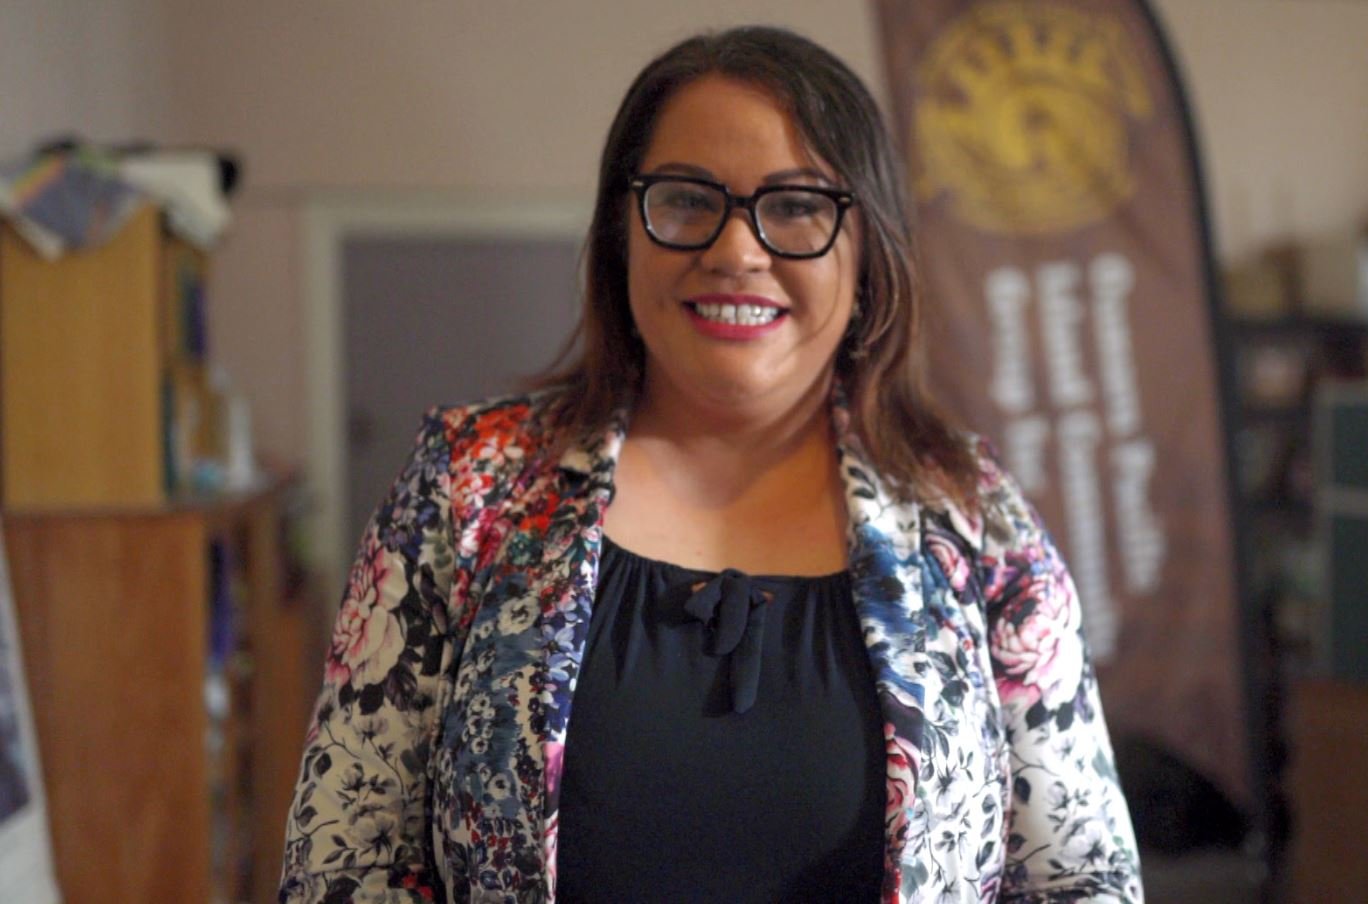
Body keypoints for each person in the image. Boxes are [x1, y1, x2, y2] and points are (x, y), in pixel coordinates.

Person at [280, 25, 1141, 904]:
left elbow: (1081, 877)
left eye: (796, 205)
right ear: (622, 233)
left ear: (869, 248)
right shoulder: (468, 484)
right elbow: (342, 866)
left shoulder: (971, 513)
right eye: (688, 199)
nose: (735, 252)